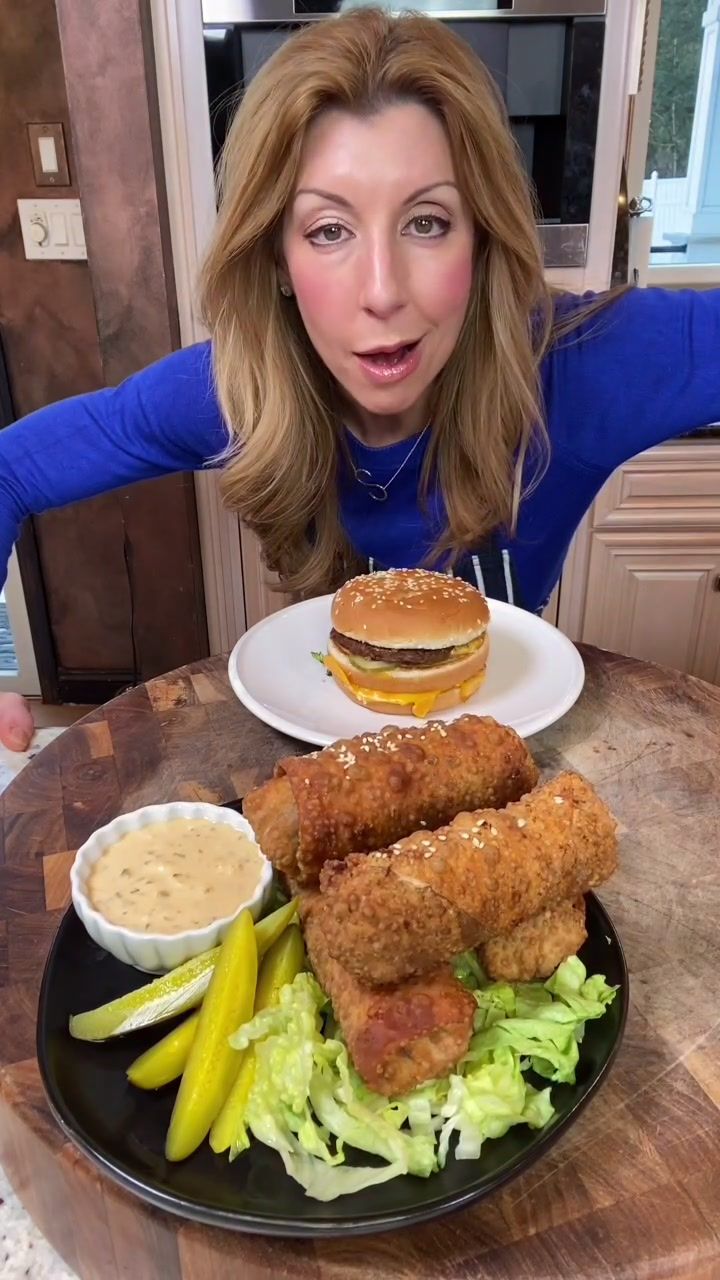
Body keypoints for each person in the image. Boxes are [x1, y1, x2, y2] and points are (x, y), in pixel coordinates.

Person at [1, 7, 719, 752]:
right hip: (328, 762)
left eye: (428, 223)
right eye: (328, 230)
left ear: (482, 236)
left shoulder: (579, 364)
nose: (382, 290)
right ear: (277, 259)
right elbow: (9, 468)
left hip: (505, 758)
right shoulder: (241, 389)